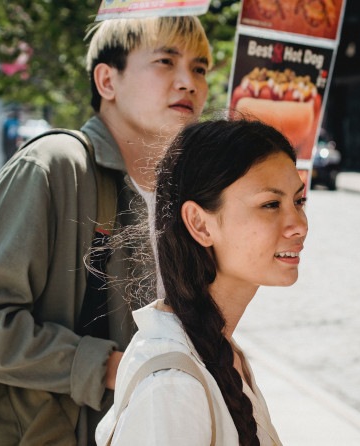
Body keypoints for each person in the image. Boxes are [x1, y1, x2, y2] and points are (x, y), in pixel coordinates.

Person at [0, 16, 212, 446]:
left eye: (200, 68)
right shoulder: (55, 167)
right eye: (165, 61)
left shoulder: (188, 197)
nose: (188, 82)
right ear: (107, 80)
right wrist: (107, 367)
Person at [96, 118, 308, 445]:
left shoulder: (220, 349)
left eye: (299, 201)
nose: (299, 225)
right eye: (270, 204)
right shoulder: (172, 388)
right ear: (199, 223)